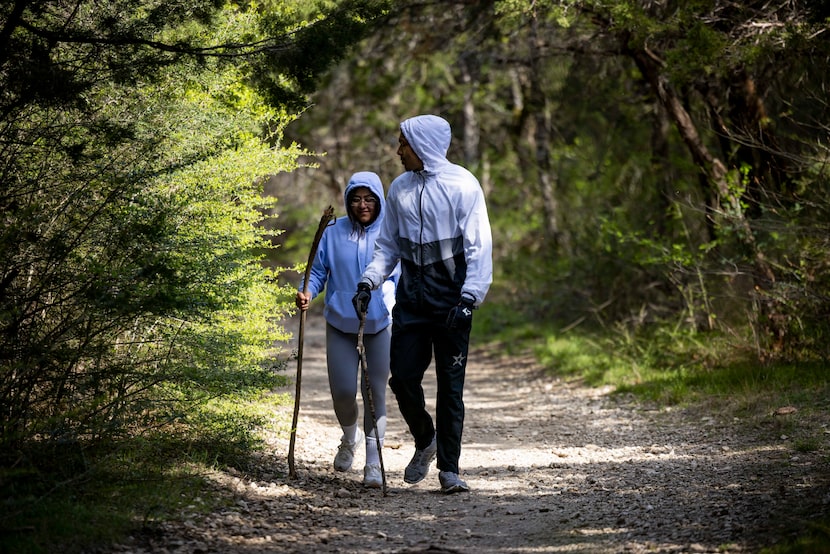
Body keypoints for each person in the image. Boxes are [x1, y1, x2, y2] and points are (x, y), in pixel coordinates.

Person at [353, 114, 493, 494]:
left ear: (424, 146)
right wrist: (368, 282)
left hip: (452, 302)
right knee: (402, 378)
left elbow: (480, 246)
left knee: (450, 388)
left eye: (403, 144)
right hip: (412, 301)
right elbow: (389, 247)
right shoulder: (398, 188)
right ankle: (425, 438)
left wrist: (470, 298)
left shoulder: (463, 185)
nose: (398, 151)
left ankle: (450, 471)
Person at [296, 171, 398, 488]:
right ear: (348, 201)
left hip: (379, 323)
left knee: (374, 394)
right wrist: (307, 290)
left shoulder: (390, 233)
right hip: (340, 322)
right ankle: (349, 436)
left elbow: (397, 275)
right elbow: (317, 272)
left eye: (369, 199)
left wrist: (390, 301)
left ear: (379, 200)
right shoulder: (333, 231)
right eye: (356, 199)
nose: (362, 205)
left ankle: (372, 462)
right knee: (342, 393)